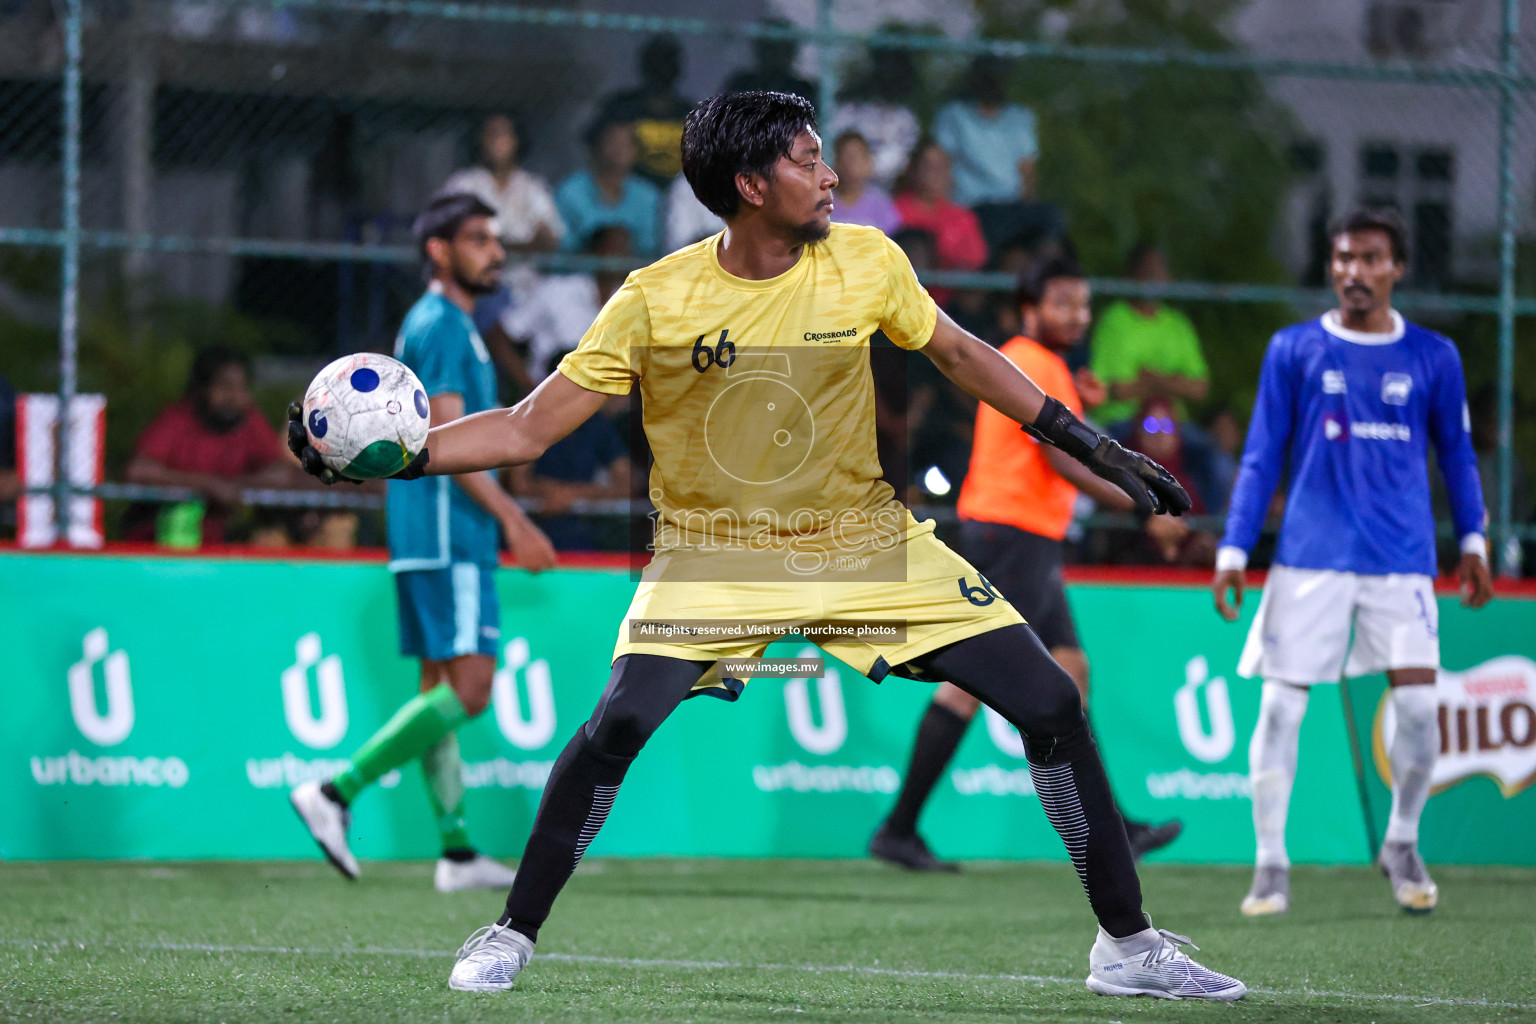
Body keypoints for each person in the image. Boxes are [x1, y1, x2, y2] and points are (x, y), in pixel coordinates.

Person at [289, 91, 1244, 1002]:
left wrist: (1093, 443)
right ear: (752, 185)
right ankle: (509, 931)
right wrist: (398, 461)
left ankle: (1128, 947)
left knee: (1052, 702)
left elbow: (959, 354)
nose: (831, 176)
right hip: (713, 555)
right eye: (809, 159)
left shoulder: (868, 261)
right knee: (618, 725)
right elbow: (530, 428)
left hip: (867, 544)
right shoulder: (654, 298)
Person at [1213, 207, 1494, 918]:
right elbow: (1260, 455)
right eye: (1343, 259)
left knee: (1424, 711)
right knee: (1278, 708)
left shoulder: (1434, 355)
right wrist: (1234, 548)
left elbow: (1457, 455)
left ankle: (1402, 840)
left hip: (1401, 560)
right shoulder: (1294, 348)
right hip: (1309, 558)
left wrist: (1474, 541)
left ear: (1397, 268)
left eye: (1370, 259)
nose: (1353, 272)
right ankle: (1271, 863)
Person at [869, 259, 1185, 873]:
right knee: (971, 686)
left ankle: (1110, 827)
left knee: (1070, 669)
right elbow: (1063, 461)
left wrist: (1080, 397)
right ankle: (899, 828)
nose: (1078, 315)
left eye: (1084, 303)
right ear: (1030, 309)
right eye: (1063, 302)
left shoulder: (1036, 361)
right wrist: (1140, 507)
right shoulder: (1033, 361)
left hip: (1019, 534)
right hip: (1012, 535)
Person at [288, 193, 558, 892]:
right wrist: (513, 519)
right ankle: (336, 792)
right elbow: (442, 443)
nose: (494, 252)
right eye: (477, 239)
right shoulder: (441, 324)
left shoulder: (447, 324)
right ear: (438, 250)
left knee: (437, 689)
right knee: (470, 691)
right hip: (448, 530)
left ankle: (457, 851)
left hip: (424, 534)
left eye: (496, 240)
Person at [123, 347, 297, 545]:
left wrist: (235, 487)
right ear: (202, 388)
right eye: (225, 387)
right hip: (158, 543)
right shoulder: (179, 418)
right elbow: (138, 470)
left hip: (221, 546)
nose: (233, 396)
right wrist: (208, 485)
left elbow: (281, 473)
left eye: (241, 388)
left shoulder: (248, 421)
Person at [931, 55, 1061, 254]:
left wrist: (1027, 205)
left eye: (998, 77)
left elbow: (1027, 169)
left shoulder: (1019, 117)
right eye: (987, 77)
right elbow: (943, 163)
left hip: (1012, 206)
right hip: (973, 206)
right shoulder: (954, 115)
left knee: (1052, 218)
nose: (992, 82)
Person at [1088, 244, 1210, 427]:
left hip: (1173, 425)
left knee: (1212, 455)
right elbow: (1117, 391)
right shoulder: (1114, 320)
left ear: (1169, 278)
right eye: (1147, 269)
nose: (1153, 277)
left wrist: (1152, 379)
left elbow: (1200, 388)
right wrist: (1173, 382)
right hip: (1122, 423)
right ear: (1131, 276)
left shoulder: (1178, 323)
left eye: (1159, 270)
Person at [500, 226, 634, 388]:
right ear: (594, 253)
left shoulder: (631, 302)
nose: (621, 255)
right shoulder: (557, 290)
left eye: (625, 249)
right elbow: (502, 333)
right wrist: (527, 385)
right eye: (615, 248)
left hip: (605, 397)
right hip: (550, 389)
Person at [442, 115, 565, 256]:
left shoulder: (532, 186)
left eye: (503, 135)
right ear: (480, 141)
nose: (497, 142)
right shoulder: (463, 183)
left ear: (516, 141)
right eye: (492, 135)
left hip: (524, 274)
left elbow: (549, 239)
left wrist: (502, 245)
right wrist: (520, 246)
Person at [893, 140, 987, 309]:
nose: (936, 173)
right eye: (928, 166)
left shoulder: (964, 218)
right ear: (914, 170)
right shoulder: (895, 211)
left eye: (942, 166)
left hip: (953, 309)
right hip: (903, 304)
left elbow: (976, 267)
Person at [597, 34, 695, 190]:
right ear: (645, 66)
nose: (663, 69)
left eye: (669, 63)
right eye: (657, 62)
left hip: (677, 193)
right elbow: (595, 145)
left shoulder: (688, 112)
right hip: (628, 193)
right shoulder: (623, 106)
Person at [556, 119, 661, 257]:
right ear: (595, 147)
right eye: (613, 143)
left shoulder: (648, 195)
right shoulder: (570, 191)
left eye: (627, 144)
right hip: (579, 276)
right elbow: (564, 246)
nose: (620, 150)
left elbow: (649, 247)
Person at [827, 38, 922, 189]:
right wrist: (851, 167)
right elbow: (829, 144)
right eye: (885, 67)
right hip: (840, 189)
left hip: (883, 194)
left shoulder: (906, 118)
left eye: (896, 70)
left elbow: (898, 161)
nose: (889, 75)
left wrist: (863, 168)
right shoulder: (851, 109)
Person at [722, 19, 817, 101]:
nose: (776, 55)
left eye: (783, 49)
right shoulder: (742, 84)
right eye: (770, 49)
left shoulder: (804, 89)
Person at [830, 130, 901, 236]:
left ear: (868, 161)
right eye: (846, 156)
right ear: (836, 162)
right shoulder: (823, 201)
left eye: (856, 157)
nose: (850, 164)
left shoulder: (881, 203)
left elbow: (893, 240)